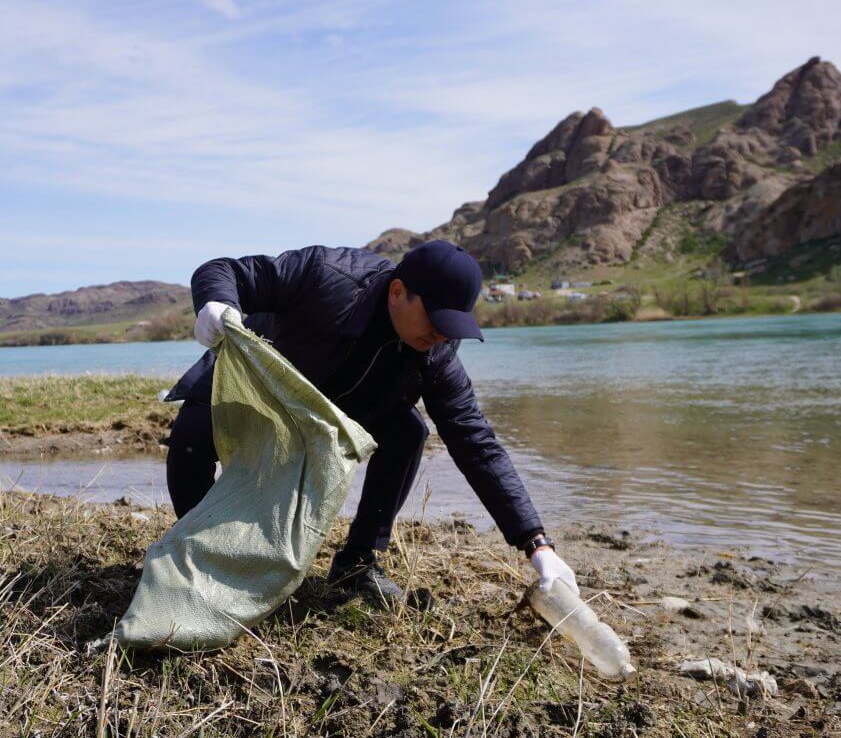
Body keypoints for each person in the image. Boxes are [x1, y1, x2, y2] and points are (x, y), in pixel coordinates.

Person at [162, 239, 579, 607]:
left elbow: (477, 445)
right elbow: (224, 270)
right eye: (435, 322)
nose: (441, 336)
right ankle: (199, 552)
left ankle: (357, 565)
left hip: (332, 414)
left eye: (451, 328)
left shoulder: (436, 353)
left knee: (408, 432)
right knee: (192, 434)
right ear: (398, 292)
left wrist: (536, 544)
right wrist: (216, 304)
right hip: (259, 389)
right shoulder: (325, 275)